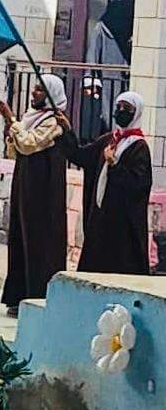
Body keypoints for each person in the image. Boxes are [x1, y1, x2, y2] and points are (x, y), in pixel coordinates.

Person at [58, 91, 152, 275]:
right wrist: (67, 131)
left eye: (127, 108)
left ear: (136, 113)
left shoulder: (139, 147)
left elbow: (138, 184)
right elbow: (81, 156)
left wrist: (114, 164)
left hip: (122, 223)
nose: (121, 111)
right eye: (119, 107)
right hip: (101, 217)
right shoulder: (109, 140)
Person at [0, 75, 68, 317]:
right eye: (35, 89)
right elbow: (15, 150)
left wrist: (11, 120)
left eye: (40, 90)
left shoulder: (54, 122)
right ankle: (18, 295)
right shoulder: (31, 117)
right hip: (24, 184)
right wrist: (11, 130)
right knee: (20, 239)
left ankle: (36, 295)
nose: (34, 93)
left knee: (38, 243)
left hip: (41, 192)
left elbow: (29, 144)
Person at [84, 0, 133, 129]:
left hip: (127, 78)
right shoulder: (101, 28)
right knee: (110, 108)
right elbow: (93, 53)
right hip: (109, 77)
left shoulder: (131, 29)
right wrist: (90, 77)